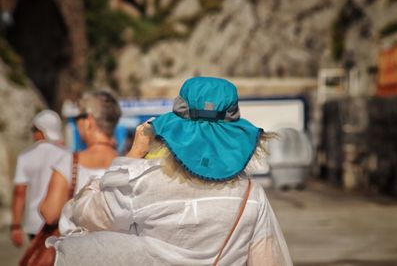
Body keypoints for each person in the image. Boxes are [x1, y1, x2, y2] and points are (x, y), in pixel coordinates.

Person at [51, 77, 292, 266]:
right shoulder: (252, 195)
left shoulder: (142, 184)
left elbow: (82, 213)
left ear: (178, 129)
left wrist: (133, 156)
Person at [40, 90, 121, 225]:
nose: (77, 123)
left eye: (78, 118)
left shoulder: (69, 163)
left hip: (76, 244)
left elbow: (50, 214)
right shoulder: (129, 164)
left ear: (88, 121)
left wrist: (41, 206)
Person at [10, 110, 67, 247]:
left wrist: (16, 226)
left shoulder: (25, 156)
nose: (33, 133)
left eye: (34, 129)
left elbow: (19, 193)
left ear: (42, 130)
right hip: (60, 222)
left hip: (34, 224)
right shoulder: (67, 155)